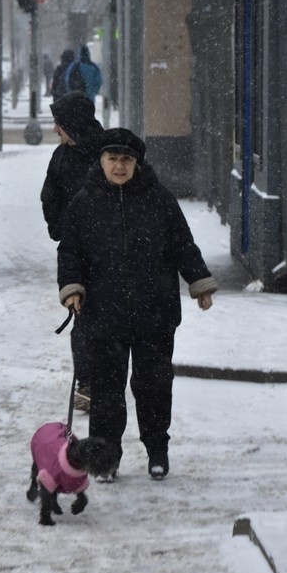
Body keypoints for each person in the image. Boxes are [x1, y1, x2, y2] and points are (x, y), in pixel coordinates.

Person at [57, 128, 218, 482]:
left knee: (154, 387)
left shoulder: (159, 199)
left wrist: (199, 282)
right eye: (112, 159)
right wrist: (72, 288)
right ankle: (106, 458)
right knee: (106, 393)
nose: (119, 166)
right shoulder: (84, 203)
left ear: (137, 164)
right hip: (102, 315)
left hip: (154, 314)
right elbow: (70, 252)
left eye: (126, 160)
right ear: (101, 162)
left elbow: (182, 245)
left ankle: (157, 449)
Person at [41, 90, 105, 413]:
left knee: (111, 318)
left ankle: (107, 380)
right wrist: (62, 230)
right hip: (74, 253)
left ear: (72, 124)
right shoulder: (61, 157)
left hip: (109, 254)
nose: (55, 130)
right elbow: (48, 197)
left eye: (58, 123)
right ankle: (88, 383)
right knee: (81, 316)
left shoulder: (108, 154)